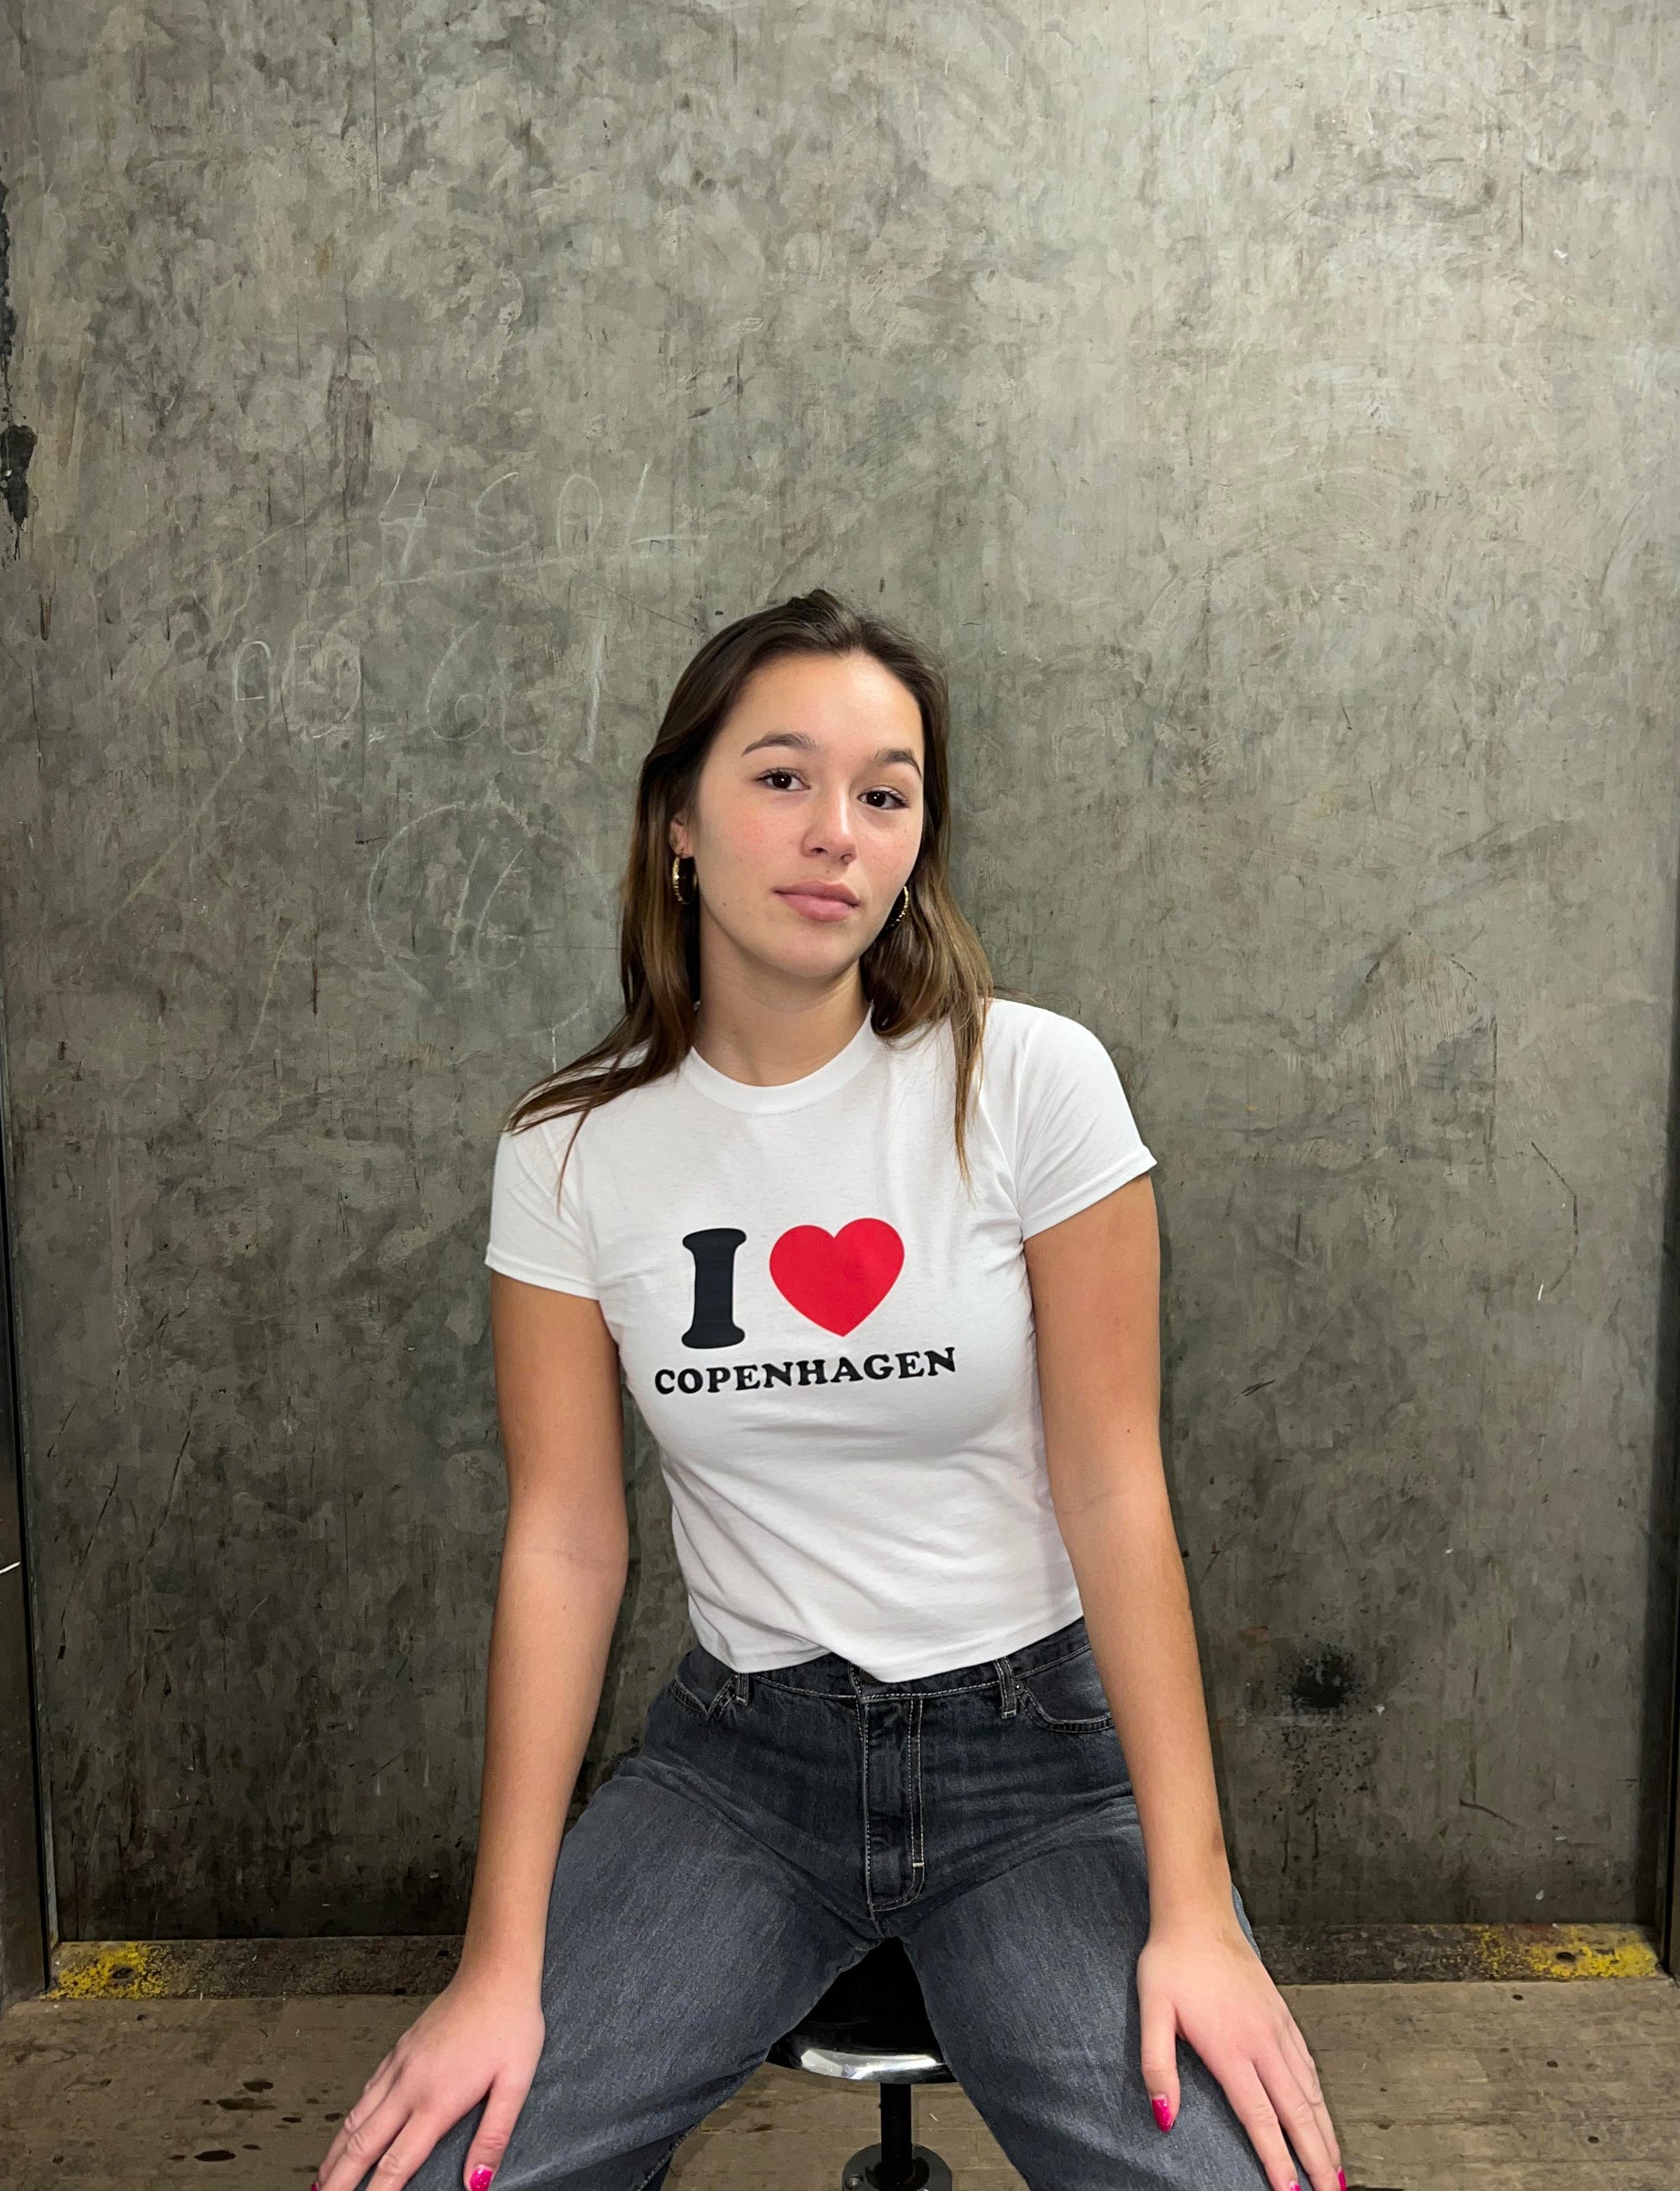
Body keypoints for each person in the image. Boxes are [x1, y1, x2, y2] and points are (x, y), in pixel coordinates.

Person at [315, 590, 1346, 2191]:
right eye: (783, 777)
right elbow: (568, 1542)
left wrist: (1195, 1910)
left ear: (919, 841)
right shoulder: (570, 1149)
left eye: (885, 793)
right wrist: (494, 1967)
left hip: (1036, 1761)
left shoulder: (1030, 1081)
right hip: (745, 1771)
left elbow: (1114, 1487)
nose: (835, 835)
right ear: (678, 821)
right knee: (456, 2168)